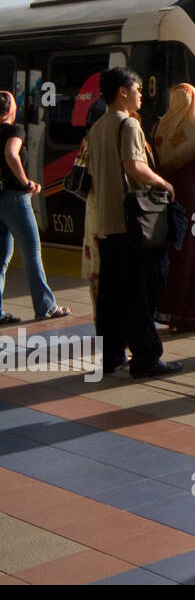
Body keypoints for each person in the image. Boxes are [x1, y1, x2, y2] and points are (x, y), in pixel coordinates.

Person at [82, 68, 181, 378]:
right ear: (122, 91)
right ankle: (147, 358)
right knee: (140, 294)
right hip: (132, 224)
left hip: (107, 223)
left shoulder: (97, 128)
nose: (141, 94)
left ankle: (111, 355)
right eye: (137, 89)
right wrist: (163, 183)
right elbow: (134, 166)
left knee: (111, 296)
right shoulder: (128, 125)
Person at [0, 91, 71, 324]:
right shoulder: (15, 130)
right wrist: (26, 182)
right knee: (32, 252)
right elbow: (11, 154)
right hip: (15, 199)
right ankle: (46, 307)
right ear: (11, 110)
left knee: (1, 258)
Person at [153, 84, 195, 332]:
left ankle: (171, 313)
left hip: (167, 197)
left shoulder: (161, 128)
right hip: (194, 200)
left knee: (174, 252)